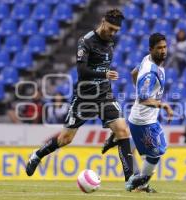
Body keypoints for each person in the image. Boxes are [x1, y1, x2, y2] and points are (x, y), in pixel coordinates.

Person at [25, 9, 134, 189]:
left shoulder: (111, 42)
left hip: (104, 94)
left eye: (116, 30)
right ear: (103, 21)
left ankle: (130, 180)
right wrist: (103, 73)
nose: (113, 33)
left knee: (123, 131)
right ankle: (37, 155)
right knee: (65, 139)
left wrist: (104, 77)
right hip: (85, 96)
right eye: (111, 28)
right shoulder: (86, 41)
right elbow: (82, 71)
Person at [103, 33, 173, 192]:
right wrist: (164, 106)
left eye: (165, 47)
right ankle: (139, 183)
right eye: (159, 48)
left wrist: (139, 89)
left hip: (142, 117)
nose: (163, 51)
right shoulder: (150, 71)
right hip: (144, 121)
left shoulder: (147, 59)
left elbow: (134, 73)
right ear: (151, 49)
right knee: (156, 152)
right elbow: (143, 99)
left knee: (138, 150)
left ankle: (119, 139)